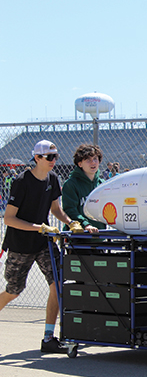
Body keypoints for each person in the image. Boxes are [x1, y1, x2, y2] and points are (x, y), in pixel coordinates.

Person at [0, 140, 83, 353]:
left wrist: (70, 221)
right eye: (49, 157)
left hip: (44, 242)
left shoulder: (53, 179)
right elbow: (9, 219)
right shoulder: (22, 181)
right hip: (20, 244)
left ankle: (48, 337)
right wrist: (39, 227)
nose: (53, 161)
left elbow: (56, 208)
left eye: (55, 156)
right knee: (14, 291)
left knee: (57, 283)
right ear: (37, 158)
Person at [62, 144, 106, 233]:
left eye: (95, 159)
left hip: (100, 235)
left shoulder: (103, 184)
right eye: (88, 160)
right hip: (79, 236)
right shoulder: (71, 184)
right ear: (80, 164)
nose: (93, 162)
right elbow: (70, 210)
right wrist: (86, 225)